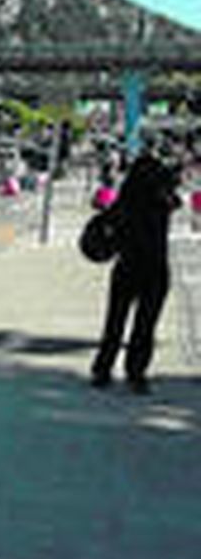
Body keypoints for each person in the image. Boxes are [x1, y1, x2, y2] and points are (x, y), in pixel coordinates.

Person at [90, 150, 181, 394]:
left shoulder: (125, 202)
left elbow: (102, 217)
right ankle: (136, 373)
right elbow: (176, 197)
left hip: (127, 268)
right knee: (145, 325)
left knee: (115, 322)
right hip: (156, 270)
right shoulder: (162, 201)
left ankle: (102, 370)